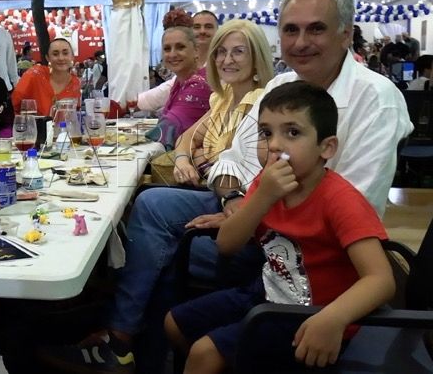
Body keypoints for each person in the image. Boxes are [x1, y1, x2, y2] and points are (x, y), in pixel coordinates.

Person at [40, 0, 412, 374]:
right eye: (291, 30)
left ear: (346, 34)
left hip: (308, 255)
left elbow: (357, 203)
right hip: (259, 216)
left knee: (160, 247)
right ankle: (136, 345)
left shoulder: (376, 98)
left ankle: (127, 344)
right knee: (151, 209)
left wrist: (254, 207)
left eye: (316, 29)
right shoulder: (281, 86)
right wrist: (236, 200)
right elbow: (232, 158)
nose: (301, 41)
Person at [166, 81, 395, 373]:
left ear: (326, 147)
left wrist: (334, 318)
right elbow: (226, 245)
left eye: (292, 133)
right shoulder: (266, 184)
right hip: (269, 294)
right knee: (174, 324)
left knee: (205, 354)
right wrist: (262, 197)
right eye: (266, 133)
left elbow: (380, 280)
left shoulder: (340, 200)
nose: (274, 145)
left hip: (317, 317)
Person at [171, 19, 274, 186]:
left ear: (257, 59)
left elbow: (233, 172)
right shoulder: (225, 97)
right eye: (221, 52)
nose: (227, 60)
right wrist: (182, 161)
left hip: (237, 196)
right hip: (210, 187)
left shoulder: (262, 103)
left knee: (147, 197)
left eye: (238, 52)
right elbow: (187, 138)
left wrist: (198, 159)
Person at [145, 26, 212, 150]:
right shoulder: (180, 81)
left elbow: (167, 129)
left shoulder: (200, 84)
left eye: (180, 47)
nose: (172, 54)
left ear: (196, 51)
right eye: (167, 49)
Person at [12, 38, 81, 117]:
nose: (61, 58)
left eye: (65, 53)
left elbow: (75, 115)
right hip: (31, 124)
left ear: (72, 56)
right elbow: (13, 106)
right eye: (55, 54)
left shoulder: (75, 83)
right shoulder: (34, 75)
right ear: (48, 58)